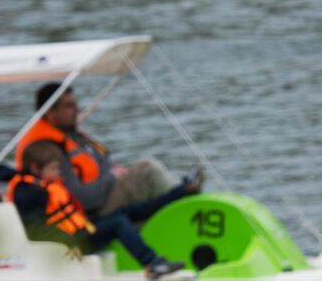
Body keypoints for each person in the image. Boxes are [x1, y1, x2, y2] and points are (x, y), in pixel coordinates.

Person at [8, 141, 189, 280]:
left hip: (81, 231)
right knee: (119, 223)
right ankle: (152, 263)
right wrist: (69, 241)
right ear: (35, 169)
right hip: (72, 243)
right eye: (55, 169)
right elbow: (37, 230)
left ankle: (179, 193)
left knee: (126, 212)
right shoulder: (27, 193)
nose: (60, 174)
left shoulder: (45, 186)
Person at [17, 83, 200, 218]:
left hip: (104, 194)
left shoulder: (72, 136)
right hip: (92, 211)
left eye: (75, 104)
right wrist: (112, 177)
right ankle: (191, 211)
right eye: (68, 106)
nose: (76, 110)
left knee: (145, 173)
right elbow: (84, 199)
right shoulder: (49, 150)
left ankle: (187, 197)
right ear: (50, 113)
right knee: (147, 170)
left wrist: (114, 174)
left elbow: (102, 163)